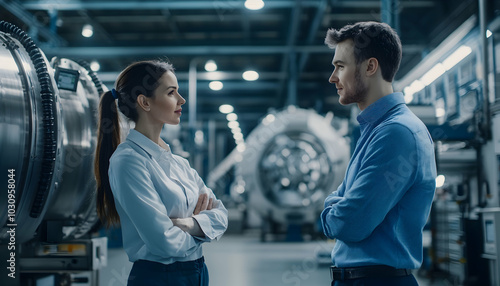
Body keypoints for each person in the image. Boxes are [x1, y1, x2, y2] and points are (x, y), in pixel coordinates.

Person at [320, 21, 436, 286]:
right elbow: (344, 200)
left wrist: (328, 211)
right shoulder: (375, 129)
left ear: (370, 67)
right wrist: (338, 203)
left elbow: (351, 222)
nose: (332, 78)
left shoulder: (397, 134)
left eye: (340, 66)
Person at [94, 60, 228, 286]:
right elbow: (164, 242)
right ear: (144, 102)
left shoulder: (179, 163)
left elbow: (221, 215)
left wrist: (185, 224)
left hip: (198, 272)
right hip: (160, 277)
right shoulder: (127, 162)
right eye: (171, 92)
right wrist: (203, 229)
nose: (181, 100)